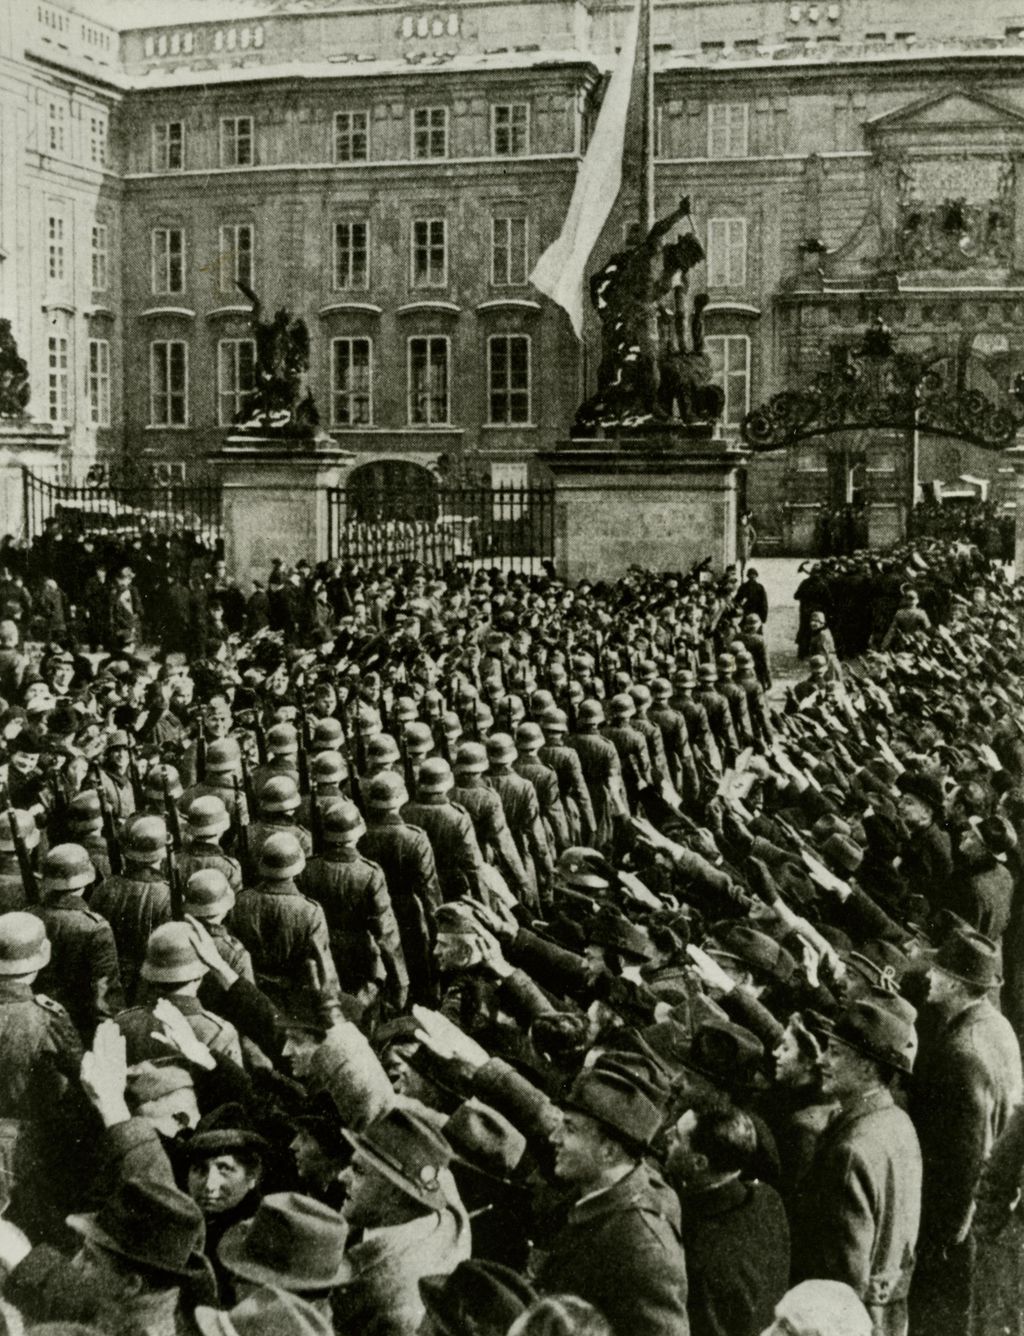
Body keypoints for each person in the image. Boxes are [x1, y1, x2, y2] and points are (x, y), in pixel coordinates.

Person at [791, 991, 921, 1336]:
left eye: (835, 1053)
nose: (821, 1062)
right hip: (890, 1315)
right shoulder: (898, 1122)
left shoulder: (850, 1150)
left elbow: (841, 1283)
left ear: (866, 1067)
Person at [538, 1060, 690, 1336]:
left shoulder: (644, 1250)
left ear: (609, 1151)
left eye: (570, 1129)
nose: (554, 1137)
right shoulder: (602, 1189)